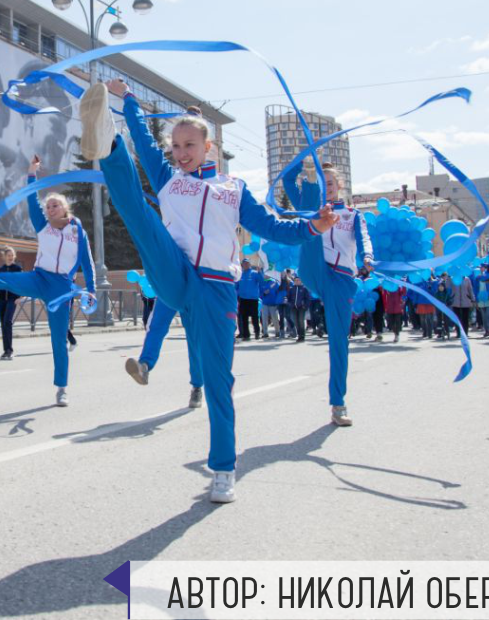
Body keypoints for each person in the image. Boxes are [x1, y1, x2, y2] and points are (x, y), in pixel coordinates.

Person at [79, 77, 330, 503]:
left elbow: (272, 227)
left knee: (218, 379)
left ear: (208, 147)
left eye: (189, 146)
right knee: (140, 215)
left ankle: (224, 469)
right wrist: (130, 102)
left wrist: (313, 227)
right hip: (175, 270)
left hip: (216, 288)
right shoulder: (168, 178)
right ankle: (109, 144)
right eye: (176, 146)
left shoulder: (234, 190)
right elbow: (147, 142)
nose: (180, 153)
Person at [0, 156, 94, 407]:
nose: (51, 208)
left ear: (65, 208)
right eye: (48, 206)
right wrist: (32, 173)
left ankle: (62, 388)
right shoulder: (42, 225)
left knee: (59, 340)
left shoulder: (78, 231)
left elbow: (87, 263)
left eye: (55, 205)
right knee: (10, 280)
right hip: (40, 277)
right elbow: (31, 198)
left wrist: (92, 290)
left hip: (62, 287)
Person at [282, 160, 373, 428]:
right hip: (316, 269)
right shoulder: (313, 205)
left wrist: (368, 257)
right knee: (311, 219)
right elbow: (287, 181)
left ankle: (338, 404)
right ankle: (311, 176)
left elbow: (364, 239)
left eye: (330, 183)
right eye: (323, 184)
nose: (328, 188)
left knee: (338, 341)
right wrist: (303, 163)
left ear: (340, 185)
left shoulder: (353, 215)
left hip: (342, 279)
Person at [125, 298, 204, 408]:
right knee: (156, 325)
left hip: (192, 292)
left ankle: (197, 387)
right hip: (170, 289)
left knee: (194, 337)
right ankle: (144, 366)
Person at [0, 246, 23, 360]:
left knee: (7, 321)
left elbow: (22, 283)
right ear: (4, 257)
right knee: (3, 324)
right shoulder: (0, 270)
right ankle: (5, 350)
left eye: (12, 255)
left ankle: (10, 350)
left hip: (13, 299)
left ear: (14, 256)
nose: (11, 257)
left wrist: (20, 297)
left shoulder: (18, 268)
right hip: (2, 299)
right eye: (8, 255)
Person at [235, 259, 262, 341]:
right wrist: (237, 296)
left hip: (253, 299)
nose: (245, 265)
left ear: (250, 264)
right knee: (244, 318)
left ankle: (257, 332)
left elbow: (261, 281)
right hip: (243, 299)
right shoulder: (240, 274)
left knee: (254, 317)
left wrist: (260, 273)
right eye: (244, 263)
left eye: (247, 263)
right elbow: (236, 286)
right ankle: (246, 335)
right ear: (242, 265)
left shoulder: (254, 273)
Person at [285, 272, 310, 343]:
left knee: (301, 321)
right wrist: (290, 304)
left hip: (301, 308)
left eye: (298, 280)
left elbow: (307, 299)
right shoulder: (291, 289)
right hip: (293, 308)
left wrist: (305, 306)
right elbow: (288, 298)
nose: (297, 281)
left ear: (301, 281)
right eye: (296, 280)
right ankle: (299, 335)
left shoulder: (304, 289)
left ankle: (302, 336)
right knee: (296, 321)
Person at [450, 273, 475, 339]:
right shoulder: (452, 279)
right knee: (457, 318)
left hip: (466, 300)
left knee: (465, 318)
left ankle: (465, 333)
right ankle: (458, 333)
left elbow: (470, 289)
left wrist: (473, 299)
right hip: (456, 301)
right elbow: (448, 287)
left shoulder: (467, 279)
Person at [258, 272, 282, 339]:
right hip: (264, 303)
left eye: (267, 274)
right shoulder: (262, 283)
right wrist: (264, 294)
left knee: (275, 318)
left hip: (273, 304)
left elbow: (278, 292)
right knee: (264, 318)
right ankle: (265, 333)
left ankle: (277, 332)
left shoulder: (274, 282)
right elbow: (259, 293)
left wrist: (277, 301)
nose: (265, 275)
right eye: (265, 274)